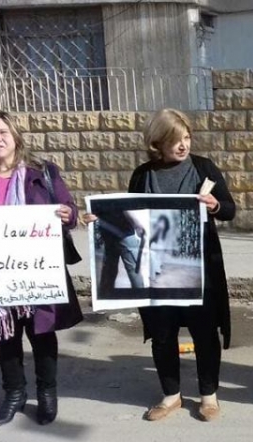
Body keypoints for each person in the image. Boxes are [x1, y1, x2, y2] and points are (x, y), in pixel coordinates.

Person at [85, 108, 236, 422]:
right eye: (175, 140)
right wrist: (99, 219)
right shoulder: (143, 174)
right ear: (157, 143)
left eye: (187, 138)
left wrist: (215, 205)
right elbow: (127, 214)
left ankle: (209, 396)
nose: (183, 145)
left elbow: (229, 209)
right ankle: (171, 396)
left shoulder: (204, 168)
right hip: (153, 268)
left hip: (199, 269)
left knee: (204, 331)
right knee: (162, 332)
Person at [0, 109, 83, 426]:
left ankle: (46, 393)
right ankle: (14, 394)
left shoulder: (41, 171)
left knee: (41, 333)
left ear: (15, 136)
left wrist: (67, 214)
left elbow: (70, 209)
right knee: (6, 335)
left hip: (37, 269)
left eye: (3, 132)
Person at [95, 209, 146, 295]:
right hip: (123, 232)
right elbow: (125, 208)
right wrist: (137, 224)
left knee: (109, 269)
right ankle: (141, 296)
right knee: (133, 270)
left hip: (107, 233)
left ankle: (105, 296)